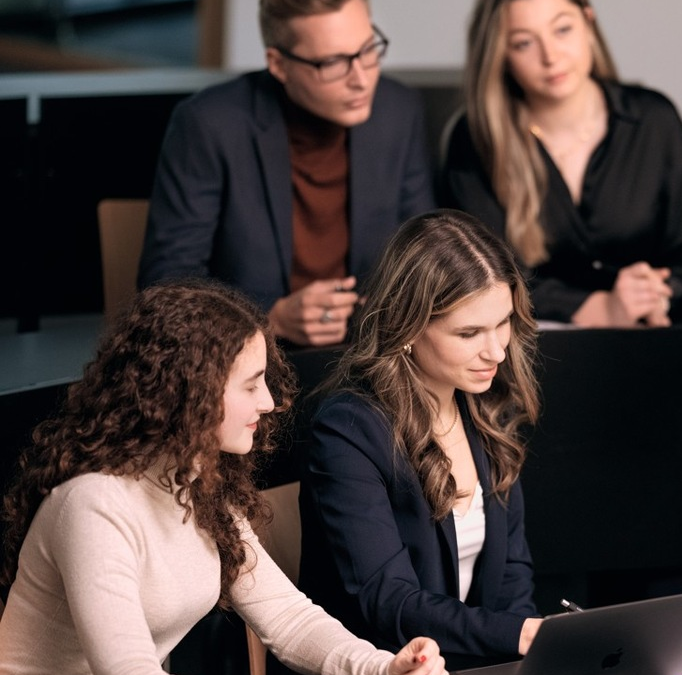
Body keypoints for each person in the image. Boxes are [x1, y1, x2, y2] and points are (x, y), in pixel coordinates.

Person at [0, 281, 448, 675]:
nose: (270, 402)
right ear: (190, 393)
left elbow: (289, 620)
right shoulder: (93, 503)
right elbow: (128, 668)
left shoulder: (196, 484)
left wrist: (382, 667)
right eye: (251, 385)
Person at [298, 210, 541, 670]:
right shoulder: (348, 429)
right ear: (408, 327)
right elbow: (387, 600)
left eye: (503, 323)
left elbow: (513, 574)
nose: (496, 351)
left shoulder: (481, 405)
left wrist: (521, 653)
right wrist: (517, 635)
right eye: (469, 333)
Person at [138, 0, 436, 347]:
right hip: (248, 360)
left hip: (369, 357)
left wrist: (395, 306)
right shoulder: (209, 124)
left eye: (368, 49)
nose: (362, 78)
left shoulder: (399, 110)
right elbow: (166, 287)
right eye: (333, 62)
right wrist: (271, 317)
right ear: (278, 65)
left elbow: (426, 252)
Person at [441, 0, 682, 327]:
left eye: (562, 29)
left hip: (651, 337)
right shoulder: (476, 139)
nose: (551, 56)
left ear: (588, 22)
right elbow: (477, 273)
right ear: (500, 53)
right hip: (528, 348)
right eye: (523, 43)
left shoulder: (654, 120)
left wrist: (657, 294)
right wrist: (591, 307)